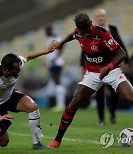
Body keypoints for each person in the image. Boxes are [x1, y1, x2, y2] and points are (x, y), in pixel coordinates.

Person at [49, 13, 133, 148]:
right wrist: (61, 43)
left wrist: (108, 67)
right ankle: (57, 140)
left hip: (112, 70)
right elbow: (72, 35)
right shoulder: (78, 32)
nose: (87, 34)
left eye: (88, 30)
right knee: (73, 103)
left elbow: (122, 54)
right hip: (92, 73)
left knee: (130, 97)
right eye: (84, 32)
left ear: (91, 23)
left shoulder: (103, 34)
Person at [0, 40, 58, 150]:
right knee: (4, 142)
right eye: (16, 69)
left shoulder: (16, 64)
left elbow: (27, 56)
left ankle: (37, 143)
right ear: (7, 71)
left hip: (9, 96)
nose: (19, 69)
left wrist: (47, 51)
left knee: (33, 107)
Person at [80, 8, 129, 125]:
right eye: (98, 16)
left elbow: (120, 44)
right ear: (95, 18)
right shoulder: (90, 31)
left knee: (115, 92)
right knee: (99, 93)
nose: (100, 18)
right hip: (97, 67)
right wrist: (82, 64)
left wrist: (126, 61)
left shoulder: (113, 29)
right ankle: (101, 118)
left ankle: (112, 112)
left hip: (113, 65)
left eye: (102, 16)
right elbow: (84, 48)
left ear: (105, 17)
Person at [45, 25, 66, 111]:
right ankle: (59, 104)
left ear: (50, 30)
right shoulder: (50, 38)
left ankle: (61, 105)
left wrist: (55, 58)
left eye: (47, 31)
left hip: (56, 63)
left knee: (57, 83)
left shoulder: (56, 37)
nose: (45, 33)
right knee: (56, 83)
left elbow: (62, 47)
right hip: (53, 64)